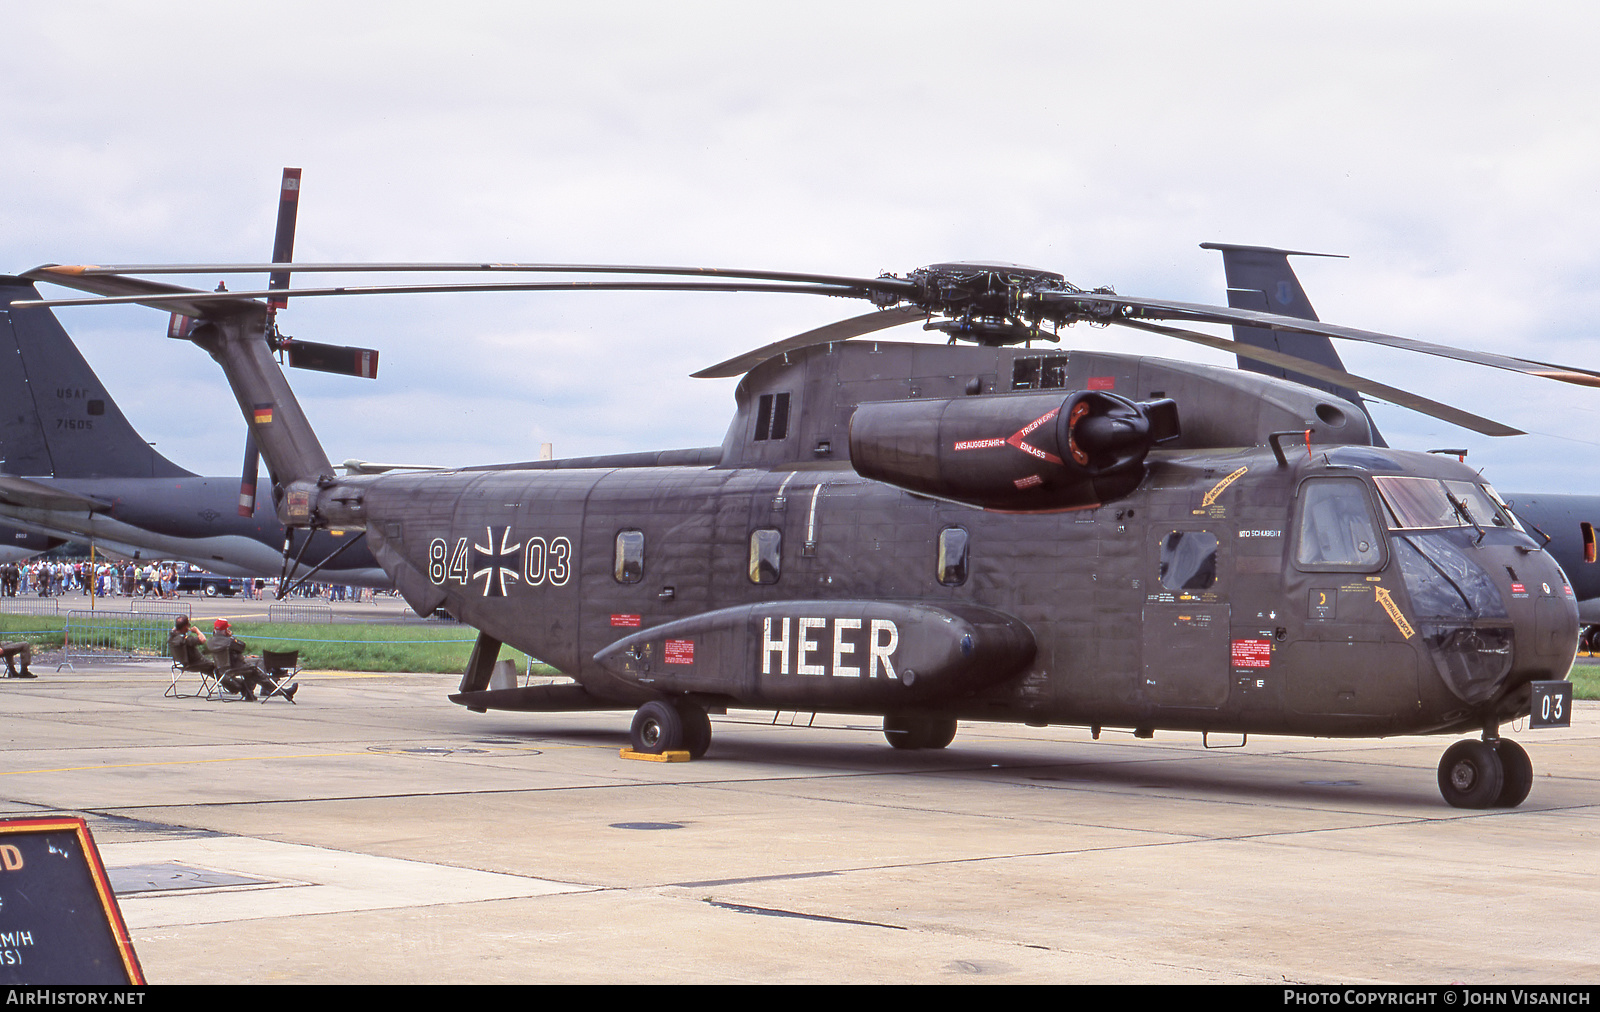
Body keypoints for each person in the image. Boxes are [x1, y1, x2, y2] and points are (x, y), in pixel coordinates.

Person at [207, 619, 297, 702]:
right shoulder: (229, 642)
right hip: (234, 668)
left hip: (221, 669)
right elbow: (242, 646)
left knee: (252, 667)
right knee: (254, 670)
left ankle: (249, 694)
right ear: (225, 630)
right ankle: (283, 692)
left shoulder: (210, 641)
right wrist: (231, 637)